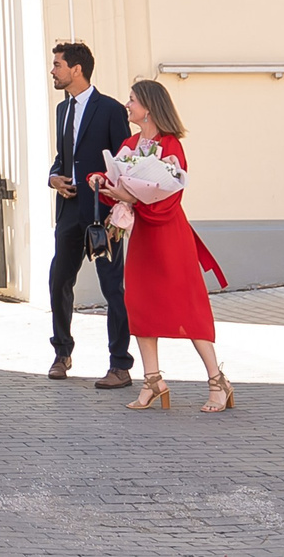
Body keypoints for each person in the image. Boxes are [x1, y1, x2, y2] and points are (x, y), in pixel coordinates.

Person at [96, 78, 236, 413]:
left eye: (132, 100)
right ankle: (152, 380)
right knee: (140, 303)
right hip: (143, 235)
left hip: (170, 235)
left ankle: (218, 381)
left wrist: (128, 195)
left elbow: (170, 195)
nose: (127, 105)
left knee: (187, 305)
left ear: (148, 107)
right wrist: (101, 182)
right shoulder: (131, 143)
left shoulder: (171, 145)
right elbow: (119, 179)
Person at [44, 39, 133, 390]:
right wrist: (53, 177)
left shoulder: (110, 109)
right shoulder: (61, 110)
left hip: (102, 213)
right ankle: (62, 352)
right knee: (59, 281)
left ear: (76, 69)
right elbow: (62, 158)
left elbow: (123, 163)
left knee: (113, 287)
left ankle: (120, 365)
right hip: (69, 211)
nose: (53, 71)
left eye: (57, 65)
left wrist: (117, 209)